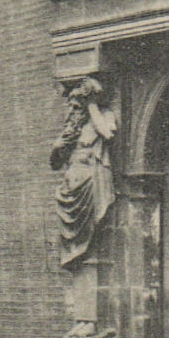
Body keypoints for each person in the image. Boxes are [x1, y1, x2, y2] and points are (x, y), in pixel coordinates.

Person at [50, 74, 118, 270]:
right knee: (73, 227)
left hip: (91, 175)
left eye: (76, 104)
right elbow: (55, 163)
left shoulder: (104, 116)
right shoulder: (72, 128)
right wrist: (56, 147)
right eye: (71, 105)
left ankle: (83, 253)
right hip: (72, 179)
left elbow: (107, 133)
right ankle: (75, 252)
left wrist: (92, 105)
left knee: (93, 222)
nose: (72, 110)